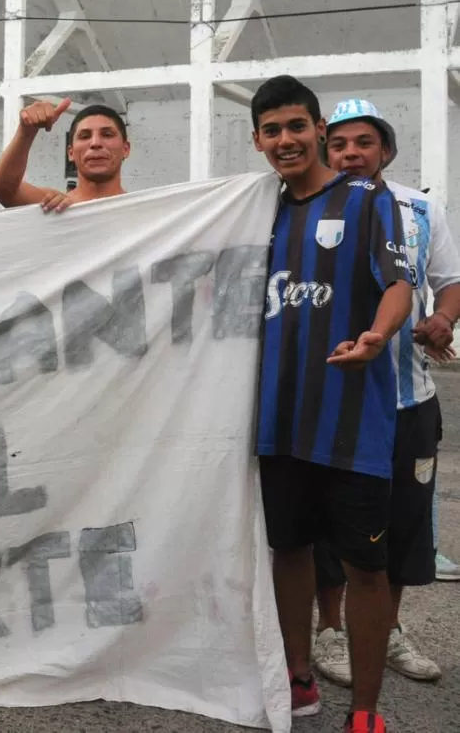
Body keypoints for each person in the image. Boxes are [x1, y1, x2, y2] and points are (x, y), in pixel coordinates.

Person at [251, 76, 413, 733]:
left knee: (365, 567)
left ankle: (366, 710)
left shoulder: (368, 198)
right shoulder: (255, 209)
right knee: (287, 551)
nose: (285, 140)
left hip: (353, 424)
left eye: (296, 126)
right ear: (257, 140)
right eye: (272, 130)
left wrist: (378, 335)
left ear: (318, 128)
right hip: (276, 422)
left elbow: (398, 284)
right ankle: (297, 675)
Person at [310, 98, 460, 688]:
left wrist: (443, 320)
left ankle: (386, 628)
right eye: (340, 144)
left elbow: (448, 284)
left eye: (363, 142)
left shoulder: (421, 208)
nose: (351, 153)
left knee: (401, 521)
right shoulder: (304, 206)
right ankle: (331, 631)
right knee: (328, 521)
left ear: (386, 150)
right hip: (330, 397)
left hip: (407, 398)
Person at [0, 98, 130, 211]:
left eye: (107, 134)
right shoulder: (54, 205)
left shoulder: (143, 212)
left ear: (126, 149)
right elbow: (2, 190)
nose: (95, 143)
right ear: (71, 153)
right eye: (84, 136)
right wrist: (27, 132)